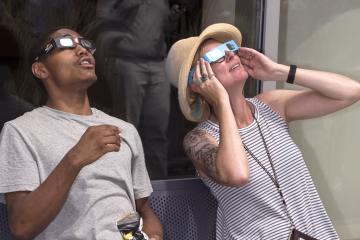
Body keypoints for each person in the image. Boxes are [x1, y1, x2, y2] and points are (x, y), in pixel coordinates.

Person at [165, 23, 360, 239]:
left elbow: (350, 92)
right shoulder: (199, 139)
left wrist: (278, 71)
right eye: (218, 56)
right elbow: (237, 174)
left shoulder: (270, 106)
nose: (231, 55)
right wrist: (221, 101)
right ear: (198, 81)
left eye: (229, 48)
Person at [0, 27, 163, 240]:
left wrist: (154, 235)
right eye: (66, 44)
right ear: (41, 70)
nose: (82, 50)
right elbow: (22, 226)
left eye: (85, 44)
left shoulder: (126, 130)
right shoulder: (20, 131)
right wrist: (76, 158)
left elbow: (142, 209)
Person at [90, 0, 171, 178]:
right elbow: (102, 22)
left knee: (157, 132)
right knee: (126, 128)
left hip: (158, 64)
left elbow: (166, 24)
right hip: (128, 62)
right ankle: (125, 182)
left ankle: (159, 186)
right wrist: (118, 43)